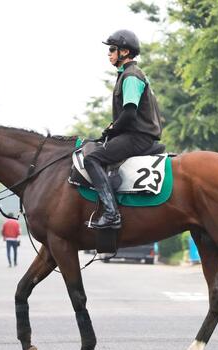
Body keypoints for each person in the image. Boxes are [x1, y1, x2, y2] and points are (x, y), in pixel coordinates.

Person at [83, 29, 163, 230]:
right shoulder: (127, 75)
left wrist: (112, 129)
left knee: (92, 159)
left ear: (125, 52)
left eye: (112, 49)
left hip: (138, 137)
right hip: (136, 135)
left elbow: (129, 114)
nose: (109, 54)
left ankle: (111, 214)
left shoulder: (131, 76)